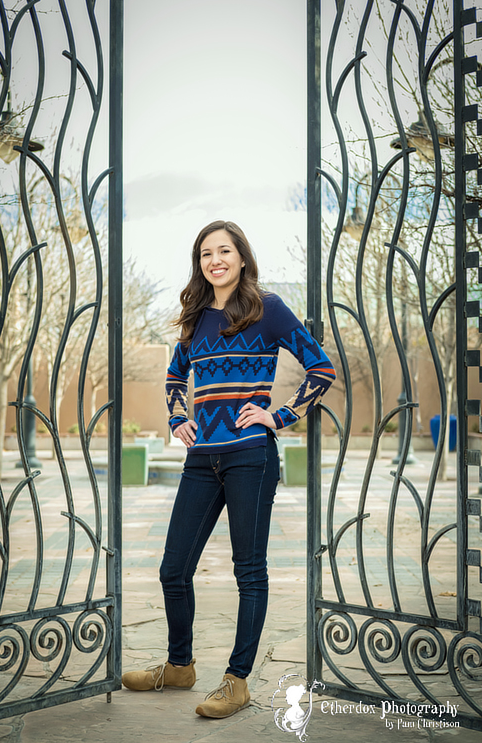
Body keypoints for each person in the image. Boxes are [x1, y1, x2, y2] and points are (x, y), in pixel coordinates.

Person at [121, 220, 335, 719]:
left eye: (224, 251)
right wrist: (178, 417)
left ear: (241, 257)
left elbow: (320, 369)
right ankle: (179, 667)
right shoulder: (195, 317)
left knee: (249, 571)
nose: (214, 260)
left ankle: (236, 682)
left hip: (250, 457)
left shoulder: (269, 309)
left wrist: (277, 415)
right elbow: (177, 374)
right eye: (204, 254)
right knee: (173, 569)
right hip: (202, 459)